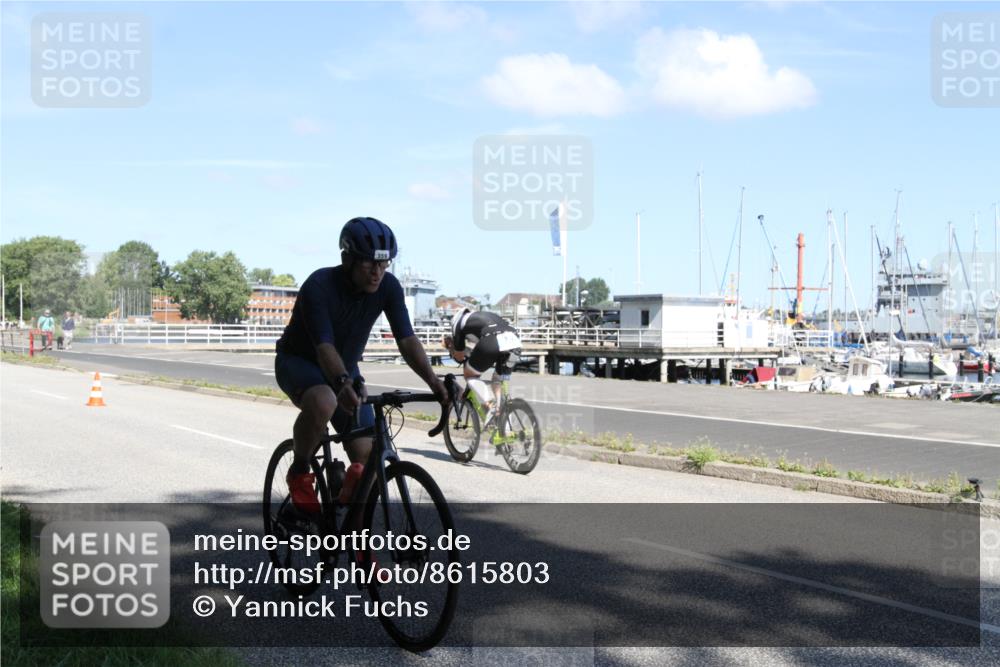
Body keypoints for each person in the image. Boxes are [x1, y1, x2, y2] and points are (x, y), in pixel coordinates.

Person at [275, 217, 448, 515]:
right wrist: (343, 383)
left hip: (345, 369)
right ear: (348, 259)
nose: (377, 272)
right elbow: (324, 346)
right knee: (324, 401)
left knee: (367, 461)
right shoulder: (319, 286)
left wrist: (434, 382)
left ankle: (354, 536)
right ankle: (300, 472)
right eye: (369, 263)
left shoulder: (388, 287)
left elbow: (407, 340)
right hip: (300, 362)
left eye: (384, 264)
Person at [442, 308, 522, 425]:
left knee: (470, 375)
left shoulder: (458, 324)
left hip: (492, 340)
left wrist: (451, 349)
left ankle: (490, 405)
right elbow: (480, 348)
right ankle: (504, 425)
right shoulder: (483, 316)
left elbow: (460, 356)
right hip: (515, 341)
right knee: (497, 381)